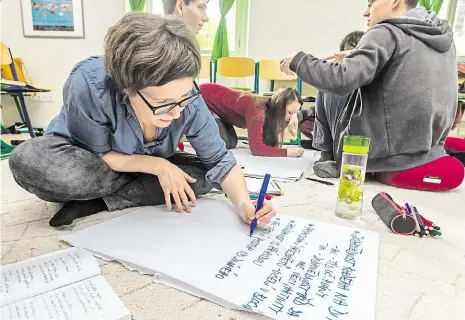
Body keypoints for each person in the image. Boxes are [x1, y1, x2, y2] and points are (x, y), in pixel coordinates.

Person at [8, 13, 275, 228]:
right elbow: (100, 154)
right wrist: (159, 167)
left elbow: (220, 161)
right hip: (91, 159)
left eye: (183, 97)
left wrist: (243, 204)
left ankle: (99, 202)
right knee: (31, 162)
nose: (176, 112)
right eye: (162, 104)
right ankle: (131, 191)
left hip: (135, 168)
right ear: (126, 87)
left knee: (205, 177)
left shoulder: (188, 101)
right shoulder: (88, 83)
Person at [280, 0, 464, 191]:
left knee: (328, 89)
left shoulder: (386, 31)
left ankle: (331, 158)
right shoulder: (443, 38)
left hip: (386, 158)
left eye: (371, 3)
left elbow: (341, 81)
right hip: (426, 142)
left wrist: (299, 61)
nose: (366, 12)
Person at [287, 31, 364, 171]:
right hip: (336, 133)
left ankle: (342, 160)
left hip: (360, 142)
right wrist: (299, 115)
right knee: (307, 120)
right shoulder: (335, 76)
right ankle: (328, 153)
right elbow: (321, 110)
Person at [200, 83, 305, 157]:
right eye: (290, 112)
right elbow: (256, 149)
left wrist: (294, 115)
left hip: (219, 109)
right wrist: (288, 152)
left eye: (294, 113)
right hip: (204, 98)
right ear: (279, 106)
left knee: (231, 143)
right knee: (225, 143)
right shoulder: (258, 111)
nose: (290, 117)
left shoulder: (270, 109)